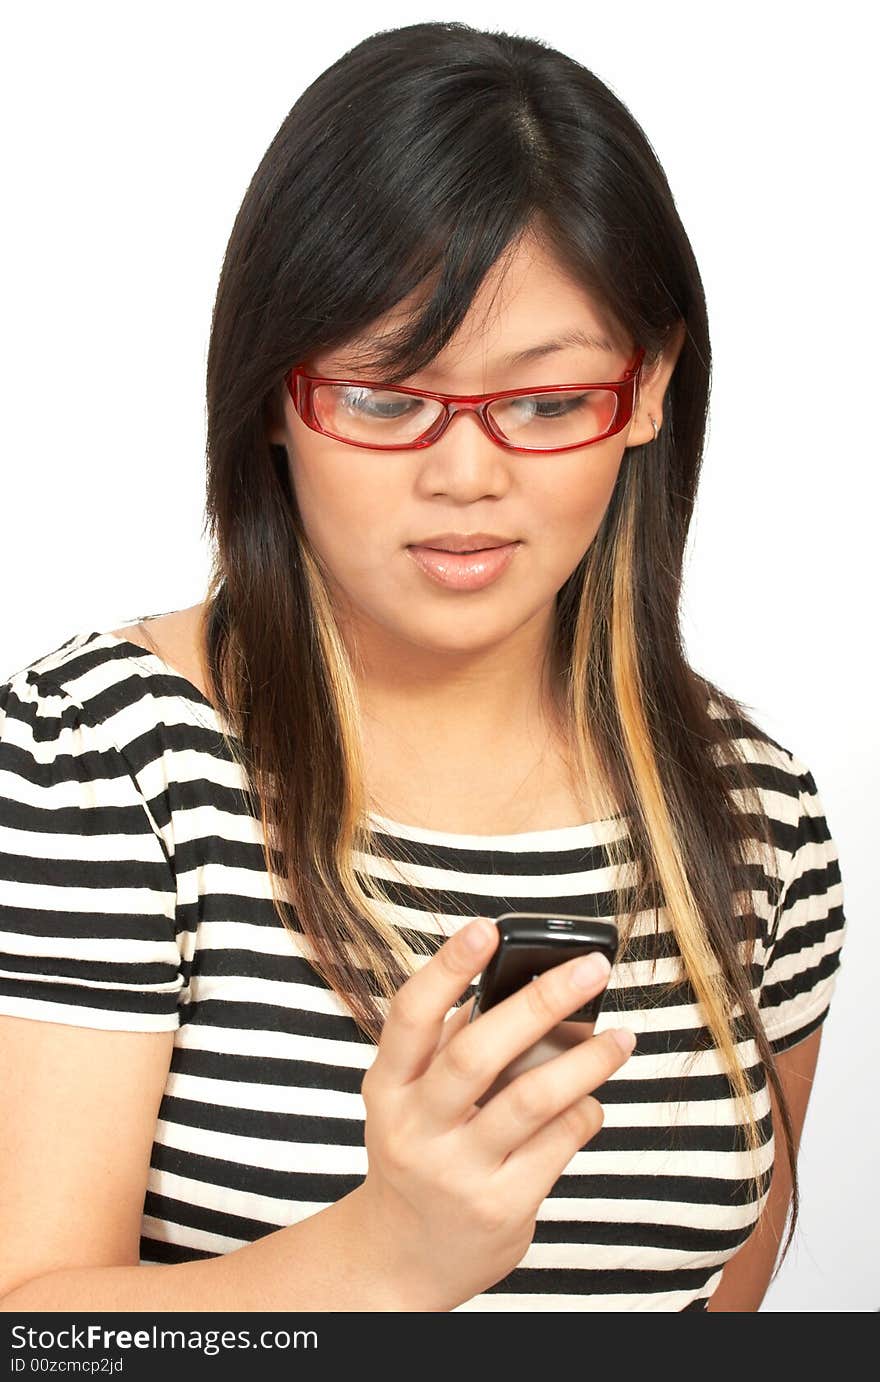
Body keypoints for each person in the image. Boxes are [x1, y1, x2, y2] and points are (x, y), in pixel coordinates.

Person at [0, 20, 846, 1313]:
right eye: (389, 396)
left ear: (651, 386)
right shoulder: (98, 763)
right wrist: (388, 1253)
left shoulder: (752, 811)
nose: (467, 476)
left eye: (548, 401)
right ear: (275, 394)